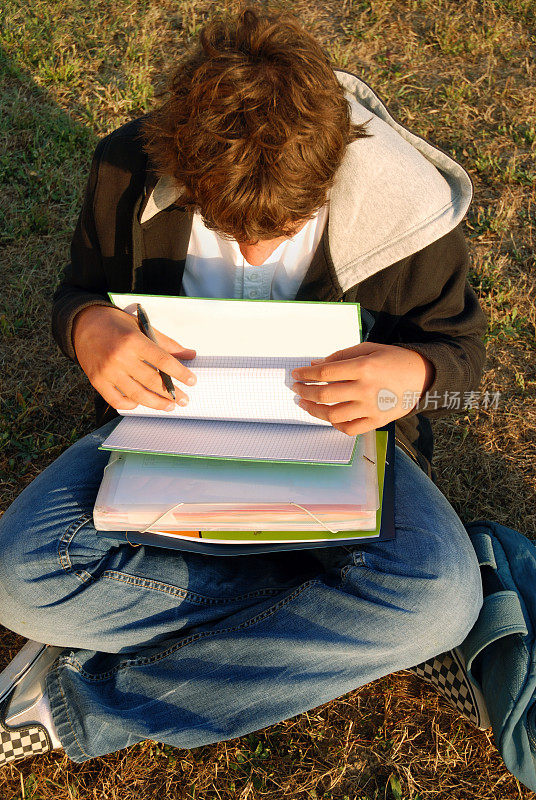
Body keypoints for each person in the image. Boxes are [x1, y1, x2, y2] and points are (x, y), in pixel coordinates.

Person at [0, 6, 486, 766]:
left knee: (441, 599)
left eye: (286, 228)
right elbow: (78, 290)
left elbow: (457, 346)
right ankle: (331, 629)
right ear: (178, 165)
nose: (257, 249)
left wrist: (415, 373)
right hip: (169, 418)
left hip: (346, 447)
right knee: (19, 582)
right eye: (226, 226)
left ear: (337, 166)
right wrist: (87, 327)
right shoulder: (124, 168)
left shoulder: (404, 205)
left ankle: (79, 706)